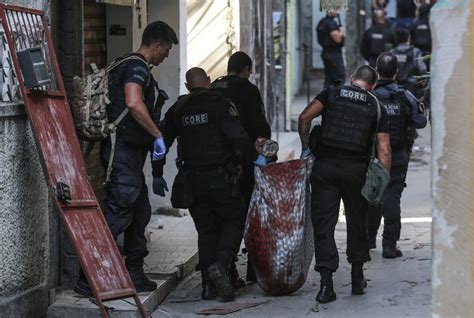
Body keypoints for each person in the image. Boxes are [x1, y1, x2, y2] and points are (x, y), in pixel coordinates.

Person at [74, 21, 178, 296]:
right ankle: (88, 277)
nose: (165, 57)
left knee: (141, 211)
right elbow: (133, 102)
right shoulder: (137, 67)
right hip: (122, 156)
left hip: (129, 157)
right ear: (156, 44)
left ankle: (134, 273)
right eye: (165, 51)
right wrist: (157, 134)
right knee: (118, 214)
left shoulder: (125, 64)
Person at [159, 67, 262, 302]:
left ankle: (207, 285)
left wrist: (157, 172)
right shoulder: (220, 103)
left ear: (187, 86)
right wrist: (256, 160)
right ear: (207, 81)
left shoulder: (179, 108)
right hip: (221, 177)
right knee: (233, 220)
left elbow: (161, 141)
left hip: (192, 179)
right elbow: (239, 137)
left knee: (206, 230)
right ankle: (221, 264)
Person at [298, 66, 391, 303]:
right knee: (357, 222)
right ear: (373, 86)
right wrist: (381, 181)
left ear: (352, 79)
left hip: (325, 169)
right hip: (356, 172)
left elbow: (304, 117)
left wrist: (306, 148)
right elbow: (384, 149)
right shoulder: (376, 105)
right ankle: (357, 278)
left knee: (324, 225)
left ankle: (326, 285)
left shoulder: (332, 93)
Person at [211, 51, 271, 285]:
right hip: (242, 163)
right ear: (246, 69)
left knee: (219, 218)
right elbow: (259, 127)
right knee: (248, 214)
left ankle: (228, 269)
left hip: (214, 164)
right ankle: (252, 271)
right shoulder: (248, 89)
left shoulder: (213, 88)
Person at [367, 53, 427, 258]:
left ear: (376, 71)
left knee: (372, 195)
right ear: (396, 72)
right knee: (392, 197)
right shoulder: (405, 96)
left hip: (372, 156)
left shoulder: (370, 95)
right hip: (398, 154)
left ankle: (368, 239)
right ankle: (389, 245)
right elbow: (421, 122)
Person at [390, 28, 427, 96]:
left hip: (395, 86)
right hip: (411, 87)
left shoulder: (392, 52)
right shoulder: (415, 51)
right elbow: (422, 69)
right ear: (408, 38)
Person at [316, 10, 346, 88]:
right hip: (334, 54)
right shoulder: (331, 23)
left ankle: (326, 98)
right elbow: (338, 39)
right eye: (336, 9)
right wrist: (342, 31)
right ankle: (336, 98)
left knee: (329, 79)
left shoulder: (322, 22)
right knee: (340, 77)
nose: (338, 11)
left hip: (325, 52)